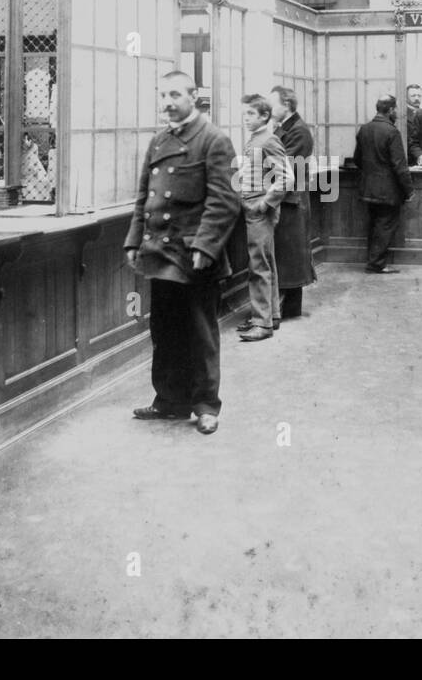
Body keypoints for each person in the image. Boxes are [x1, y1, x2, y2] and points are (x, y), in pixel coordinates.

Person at [125, 70, 239, 435]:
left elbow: (225, 201)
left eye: (174, 94)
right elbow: (144, 195)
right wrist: (133, 240)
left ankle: (206, 405)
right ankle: (170, 401)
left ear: (194, 96)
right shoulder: (159, 141)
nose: (167, 103)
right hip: (160, 251)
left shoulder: (214, 140)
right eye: (161, 96)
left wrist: (206, 247)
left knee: (200, 331)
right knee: (165, 329)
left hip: (194, 255)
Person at [234, 94, 289, 342]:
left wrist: (264, 203)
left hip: (259, 210)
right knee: (266, 262)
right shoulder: (257, 138)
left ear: (264, 116)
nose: (245, 118)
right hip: (253, 206)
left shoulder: (268, 140)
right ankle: (271, 316)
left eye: (251, 114)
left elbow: (287, 178)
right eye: (244, 113)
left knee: (259, 266)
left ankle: (262, 323)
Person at [267, 85, 317, 320]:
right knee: (288, 255)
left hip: (291, 201)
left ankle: (285, 309)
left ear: (286, 105)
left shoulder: (298, 131)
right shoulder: (286, 128)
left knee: (289, 256)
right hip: (287, 199)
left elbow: (284, 167)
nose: (269, 108)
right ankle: (287, 308)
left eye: (272, 103)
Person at [353, 94, 414, 273]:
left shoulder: (364, 129)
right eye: (395, 109)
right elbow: (400, 166)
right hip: (388, 191)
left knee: (374, 225)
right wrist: (409, 190)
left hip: (367, 188)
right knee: (385, 226)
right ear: (391, 110)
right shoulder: (392, 132)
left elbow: (357, 159)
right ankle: (376, 264)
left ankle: (373, 261)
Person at [404, 83, 422, 160]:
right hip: (409, 157)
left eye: (419, 96)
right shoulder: (402, 115)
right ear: (406, 97)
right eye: (413, 96)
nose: (417, 98)